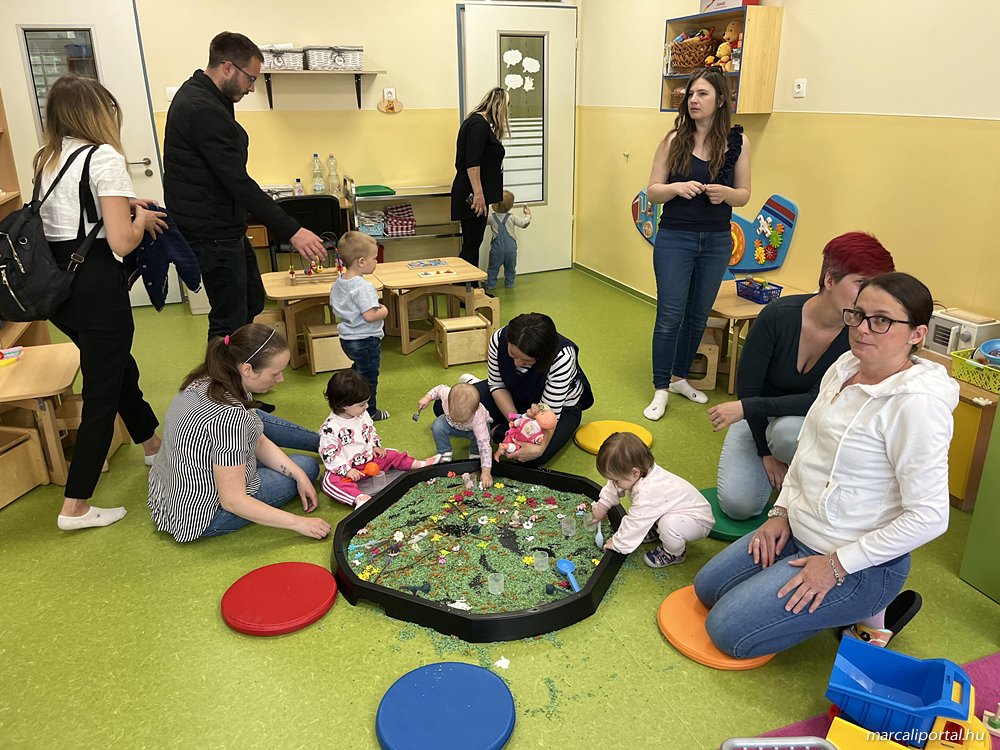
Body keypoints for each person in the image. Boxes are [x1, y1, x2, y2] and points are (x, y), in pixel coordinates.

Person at [693, 273, 958, 658]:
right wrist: (780, 512)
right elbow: (808, 451)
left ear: (917, 334)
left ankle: (868, 611)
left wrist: (835, 565)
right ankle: (826, 602)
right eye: (858, 314)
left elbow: (930, 517)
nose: (863, 328)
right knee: (707, 588)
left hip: (858, 566)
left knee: (726, 631)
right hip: (799, 530)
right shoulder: (845, 365)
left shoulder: (918, 406)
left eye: (882, 320)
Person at [34, 76, 167, 532]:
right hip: (95, 287)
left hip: (60, 289)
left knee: (116, 366)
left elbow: (75, 212)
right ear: (97, 112)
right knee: (102, 390)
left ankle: (151, 445)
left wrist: (128, 203)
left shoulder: (49, 156)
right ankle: (75, 505)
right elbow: (122, 241)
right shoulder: (104, 157)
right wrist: (140, 217)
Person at [708, 233, 895, 520]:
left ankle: (800, 476)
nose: (870, 295)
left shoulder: (860, 334)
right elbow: (748, 389)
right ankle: (781, 462)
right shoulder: (777, 316)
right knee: (738, 506)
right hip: (757, 416)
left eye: (876, 285)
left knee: (786, 434)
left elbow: (817, 399)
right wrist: (764, 453)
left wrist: (747, 408)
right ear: (829, 280)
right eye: (861, 283)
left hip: (809, 422)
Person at [164, 31, 326, 341]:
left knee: (251, 299)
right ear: (227, 67)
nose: (252, 87)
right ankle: (222, 373)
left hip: (224, 225)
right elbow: (236, 180)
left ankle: (239, 366)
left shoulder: (209, 95)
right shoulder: (202, 108)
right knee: (229, 318)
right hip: (211, 231)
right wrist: (292, 230)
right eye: (250, 78)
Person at [148, 324, 331, 541]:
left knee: (290, 459)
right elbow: (233, 501)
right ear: (247, 370)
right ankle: (328, 444)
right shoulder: (230, 419)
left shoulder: (210, 378)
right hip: (202, 515)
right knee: (307, 465)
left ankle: (329, 442)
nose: (281, 379)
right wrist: (300, 523)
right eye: (275, 373)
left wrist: (297, 474)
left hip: (170, 493)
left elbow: (258, 440)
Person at [643, 67, 751, 421]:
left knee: (698, 315)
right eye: (691, 93)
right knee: (670, 315)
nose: (693, 100)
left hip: (717, 241)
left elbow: (744, 195)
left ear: (720, 100)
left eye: (702, 94)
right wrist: (675, 188)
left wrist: (726, 193)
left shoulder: (738, 143)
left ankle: (679, 377)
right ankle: (661, 387)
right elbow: (653, 190)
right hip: (676, 238)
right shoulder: (673, 140)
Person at [457, 312, 593, 467]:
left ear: (542, 357)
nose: (517, 363)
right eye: (513, 354)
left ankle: (495, 429)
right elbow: (497, 385)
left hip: (557, 409)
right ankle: (494, 422)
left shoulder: (562, 357)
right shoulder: (499, 338)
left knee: (533, 457)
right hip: (514, 392)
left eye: (526, 360)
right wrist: (516, 421)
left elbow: (548, 413)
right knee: (450, 408)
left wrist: (540, 449)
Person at [319, 371, 442, 507]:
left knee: (391, 455)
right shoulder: (330, 428)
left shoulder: (361, 414)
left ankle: (418, 464)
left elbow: (370, 430)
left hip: (369, 459)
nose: (367, 407)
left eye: (366, 402)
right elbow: (330, 455)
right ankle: (359, 498)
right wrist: (346, 470)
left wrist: (375, 446)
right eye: (362, 404)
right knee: (330, 483)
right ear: (344, 405)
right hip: (347, 469)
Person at [593, 433, 714, 568]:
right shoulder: (640, 471)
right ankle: (657, 529)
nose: (614, 484)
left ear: (635, 473)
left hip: (697, 520)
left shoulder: (647, 491)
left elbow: (635, 522)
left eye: (616, 480)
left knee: (668, 524)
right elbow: (612, 487)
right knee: (658, 516)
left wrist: (617, 543)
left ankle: (675, 553)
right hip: (675, 510)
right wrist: (602, 506)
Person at [329, 231, 389, 420]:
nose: (376, 261)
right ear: (361, 261)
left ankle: (347, 399)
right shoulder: (363, 287)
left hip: (347, 339)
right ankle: (369, 412)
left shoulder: (340, 282)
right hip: (365, 340)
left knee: (358, 372)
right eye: (374, 258)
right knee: (368, 378)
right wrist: (384, 310)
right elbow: (370, 315)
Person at [451, 87, 509, 273]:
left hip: (475, 193)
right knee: (471, 244)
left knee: (473, 243)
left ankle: (471, 285)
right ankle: (462, 284)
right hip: (472, 194)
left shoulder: (479, 124)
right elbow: (472, 163)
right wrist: (478, 194)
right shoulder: (478, 125)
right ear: (499, 106)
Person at [416, 382, 494, 488]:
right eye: (455, 416)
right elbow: (439, 388)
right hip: (451, 425)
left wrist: (486, 472)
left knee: (481, 437)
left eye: (464, 420)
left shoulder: (478, 417)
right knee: (438, 425)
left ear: (475, 411)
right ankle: (444, 453)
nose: (460, 422)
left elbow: (484, 445)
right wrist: (427, 398)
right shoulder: (446, 394)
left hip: (472, 431)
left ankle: (475, 452)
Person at [485, 190, 531, 291]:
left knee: (493, 268)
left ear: (495, 205)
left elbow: (481, 222)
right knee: (510, 268)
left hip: (497, 250)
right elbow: (524, 224)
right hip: (511, 250)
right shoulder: (512, 217)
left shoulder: (491, 218)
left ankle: (491, 285)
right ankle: (509, 284)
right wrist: (528, 215)